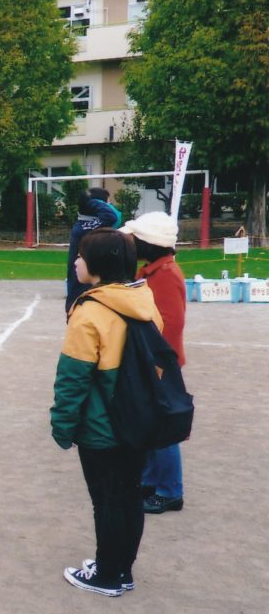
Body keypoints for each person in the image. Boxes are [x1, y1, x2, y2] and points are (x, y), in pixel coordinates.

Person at [51, 228, 163, 597]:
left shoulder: (90, 312)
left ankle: (107, 575)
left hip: (102, 426)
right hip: (139, 418)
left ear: (97, 264)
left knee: (107, 501)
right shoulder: (144, 300)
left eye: (81, 256)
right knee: (129, 495)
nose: (76, 262)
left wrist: (62, 426)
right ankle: (121, 568)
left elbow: (72, 379)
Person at [120, 211, 187, 514]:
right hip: (151, 361)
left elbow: (171, 324)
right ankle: (150, 480)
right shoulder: (151, 272)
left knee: (163, 428)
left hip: (159, 363)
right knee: (149, 423)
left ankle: (170, 490)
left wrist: (156, 363)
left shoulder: (166, 275)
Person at [65, 188, 122, 313]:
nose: (110, 205)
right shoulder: (84, 227)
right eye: (107, 203)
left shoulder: (87, 225)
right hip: (82, 293)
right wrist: (91, 201)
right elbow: (111, 217)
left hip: (87, 290)